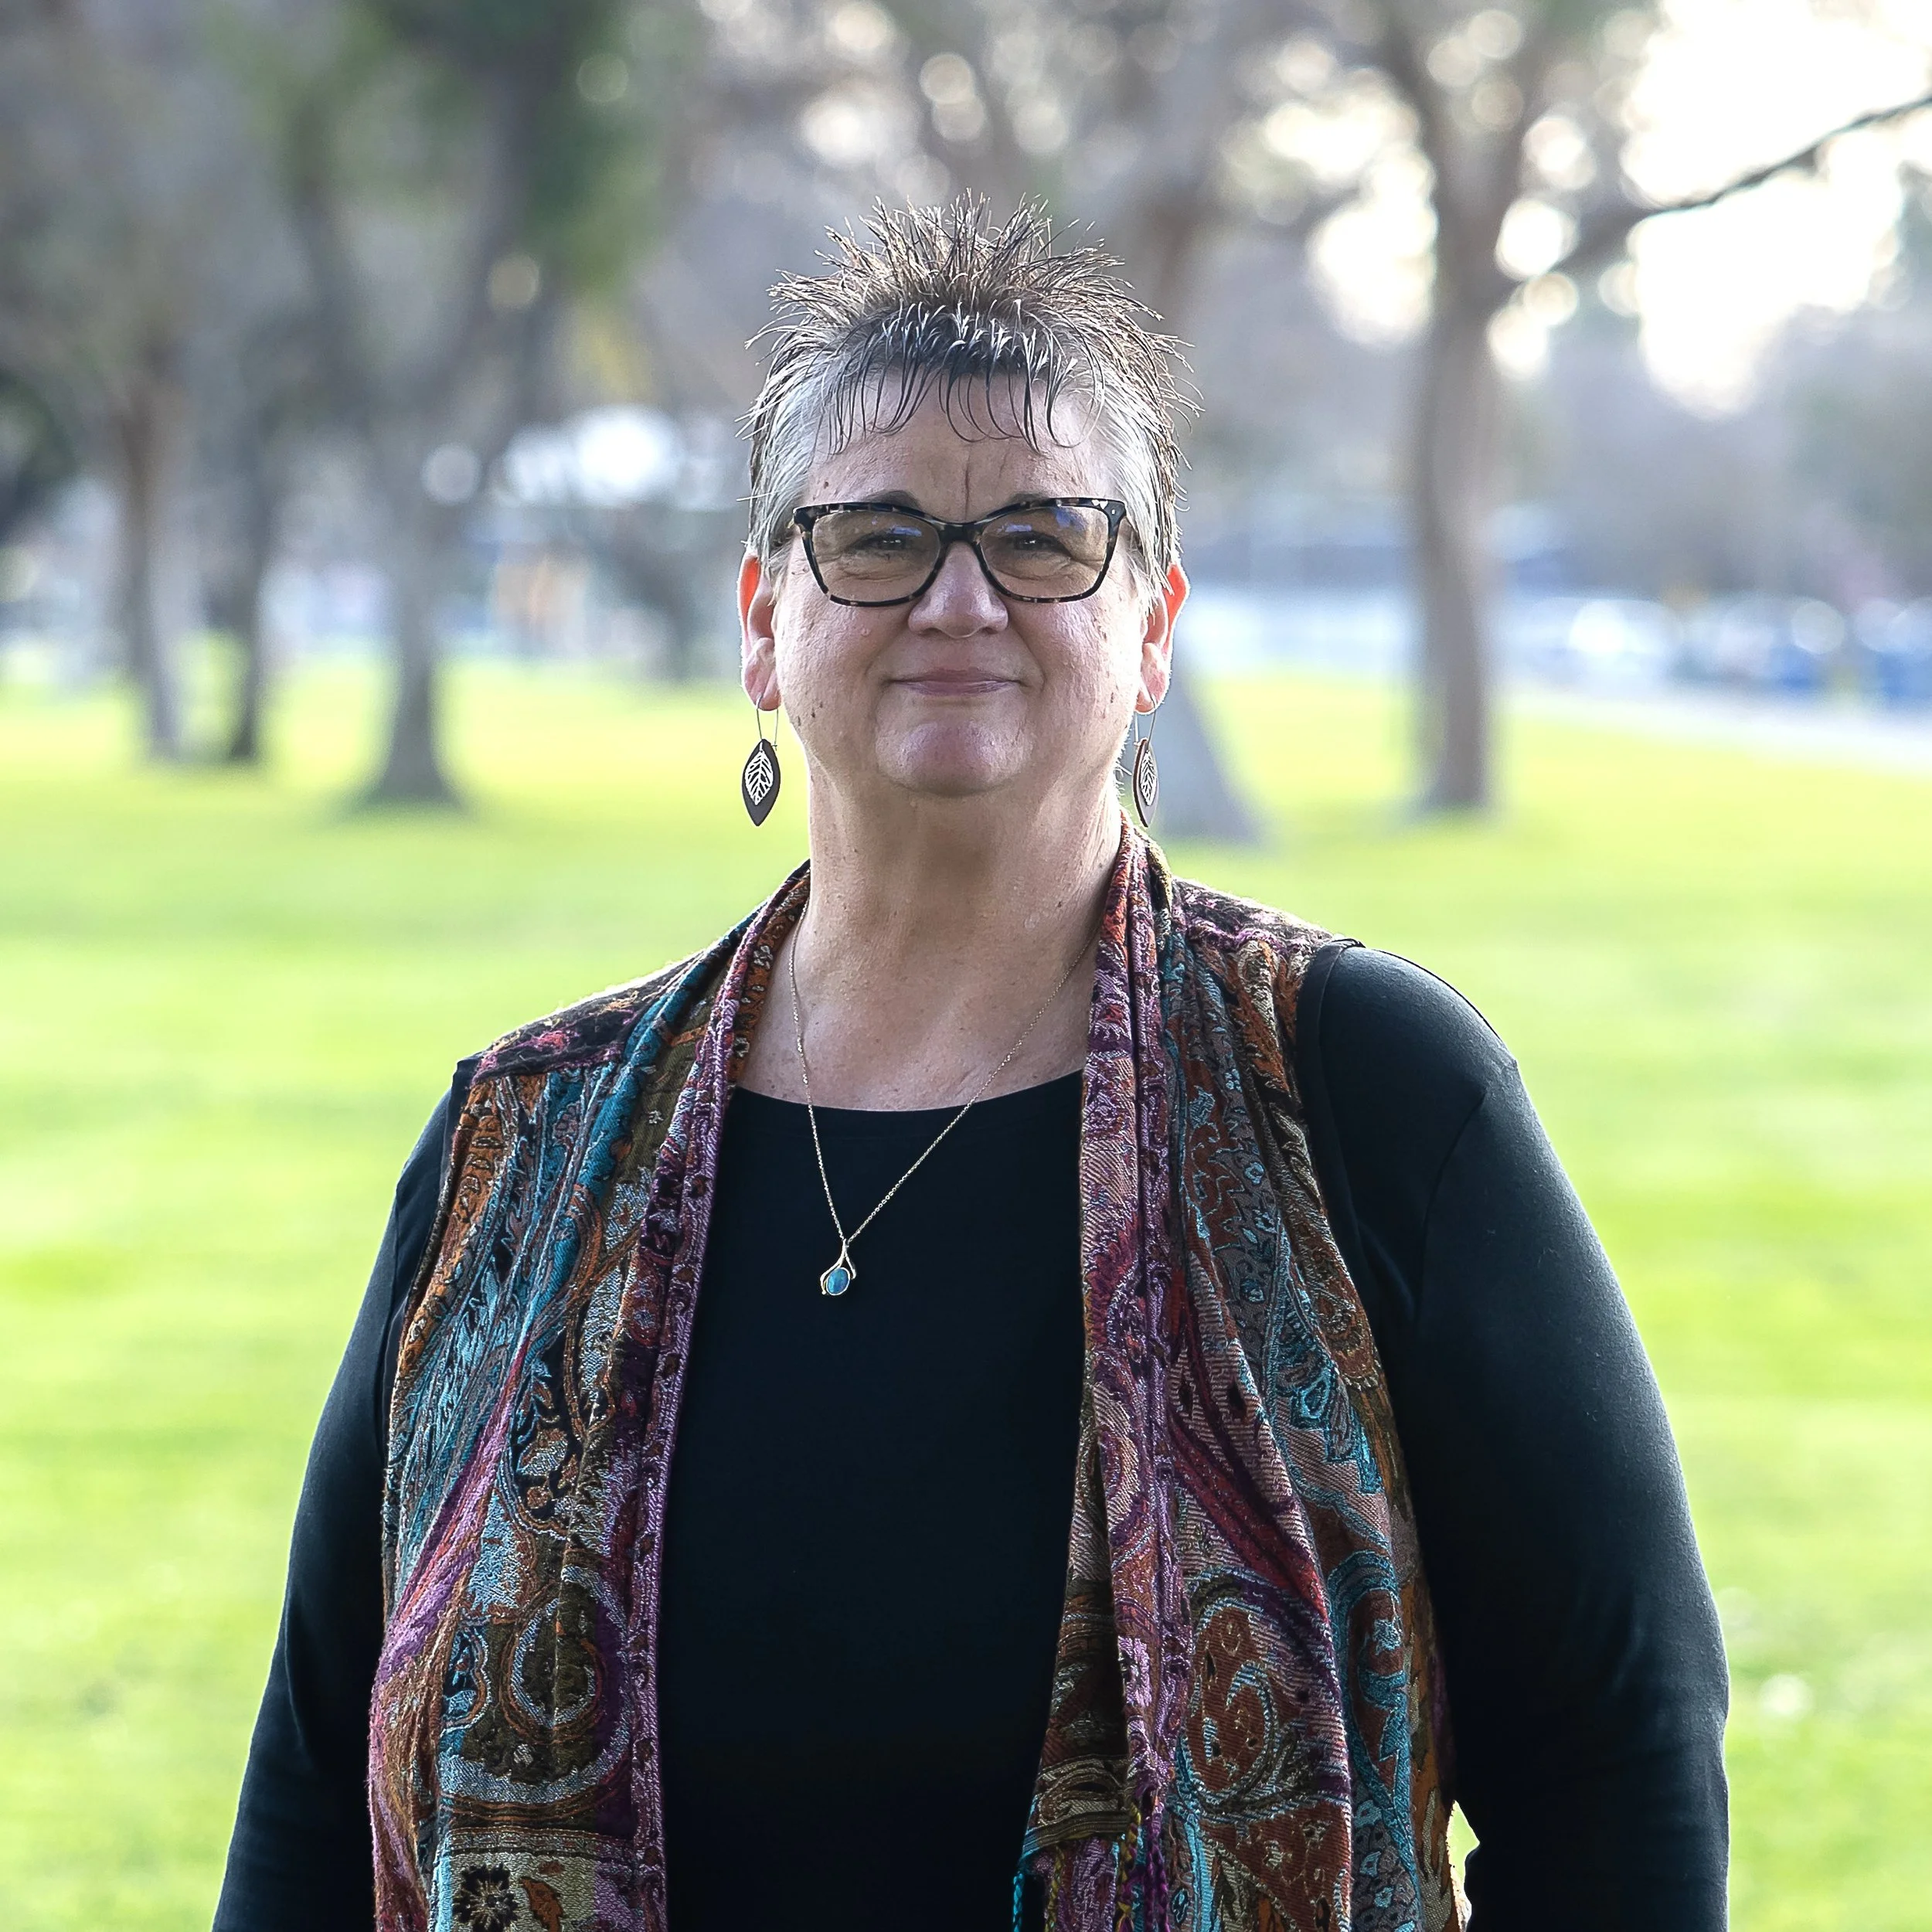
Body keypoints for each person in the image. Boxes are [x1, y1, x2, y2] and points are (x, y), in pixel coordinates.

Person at [214, 201, 1727, 1932]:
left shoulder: (1362, 1091)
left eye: (1039, 535)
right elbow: (312, 1785)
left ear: (1150, 628)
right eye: (876, 536)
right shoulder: (522, 1140)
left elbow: (1619, 1756)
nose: (957, 598)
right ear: (762, 622)